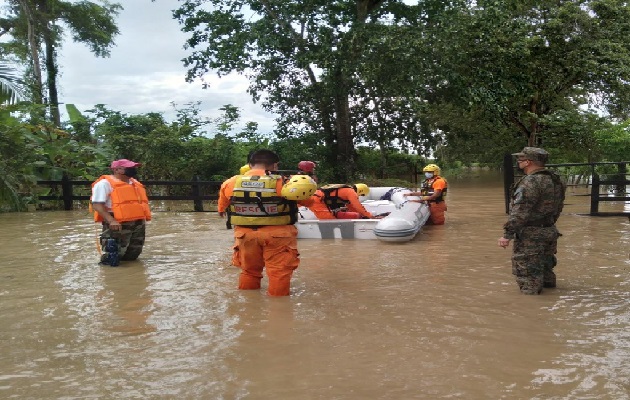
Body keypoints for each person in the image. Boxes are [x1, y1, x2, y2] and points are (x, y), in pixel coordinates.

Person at [217, 149, 317, 296]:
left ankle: (248, 306)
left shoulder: (230, 183)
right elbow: (310, 202)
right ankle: (279, 311)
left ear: (250, 164)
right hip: (279, 236)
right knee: (279, 273)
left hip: (245, 235)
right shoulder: (284, 182)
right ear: (275, 165)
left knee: (249, 272)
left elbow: (221, 210)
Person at [498, 147, 565, 295]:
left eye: (520, 159)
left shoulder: (530, 182)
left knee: (529, 276)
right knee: (546, 269)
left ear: (528, 162)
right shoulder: (555, 180)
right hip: (549, 231)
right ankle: (550, 307)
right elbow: (559, 207)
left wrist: (507, 235)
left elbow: (520, 211)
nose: (518, 162)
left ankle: (532, 311)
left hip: (530, 235)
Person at [91, 159, 152, 265]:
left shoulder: (134, 183)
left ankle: (131, 278)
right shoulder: (104, 184)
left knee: (133, 254)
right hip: (117, 221)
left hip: (137, 222)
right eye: (129, 168)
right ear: (117, 169)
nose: (133, 170)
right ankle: (111, 277)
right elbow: (97, 204)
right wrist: (111, 220)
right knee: (113, 256)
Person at [302, 183, 376, 219]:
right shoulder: (351, 193)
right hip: (316, 200)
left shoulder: (347, 191)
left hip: (317, 198)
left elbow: (352, 207)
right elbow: (358, 206)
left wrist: (361, 216)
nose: (360, 196)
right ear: (361, 191)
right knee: (328, 219)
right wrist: (368, 215)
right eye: (362, 195)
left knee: (332, 217)